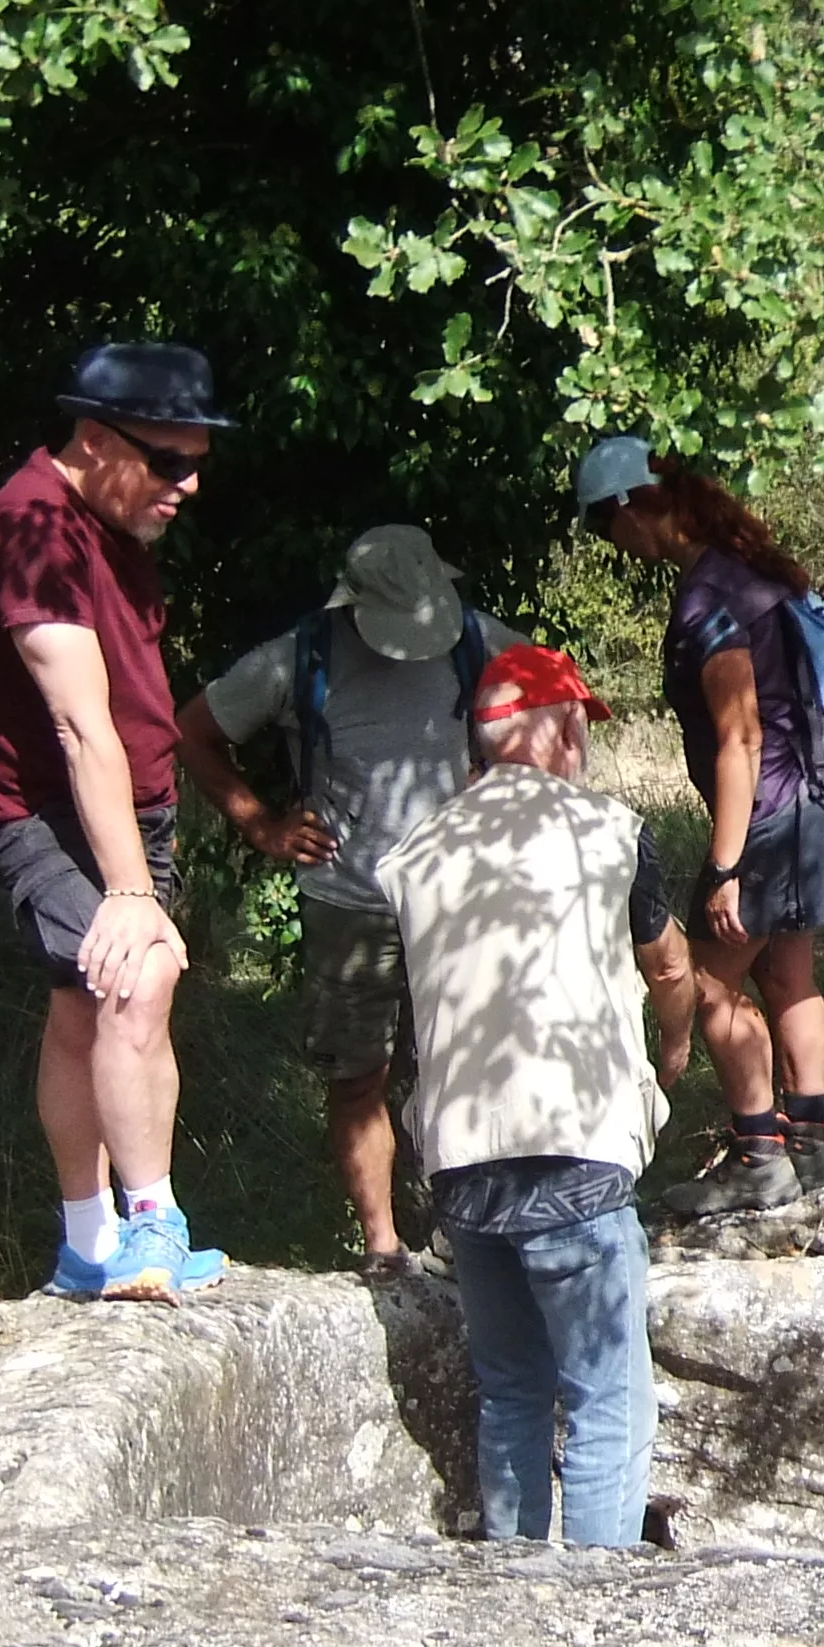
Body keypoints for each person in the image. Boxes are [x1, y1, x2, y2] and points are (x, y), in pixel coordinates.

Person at [377, 645, 698, 1544]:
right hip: (576, 1144)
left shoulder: (413, 853)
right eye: (582, 731)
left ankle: (513, 1593)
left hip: (463, 1155)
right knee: (607, 1393)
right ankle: (594, 1605)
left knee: (512, 1388)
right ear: (557, 731)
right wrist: (674, 1041)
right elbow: (669, 962)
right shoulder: (609, 832)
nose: (586, 750)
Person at [0, 339, 236, 1301]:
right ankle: (151, 1228)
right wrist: (130, 891)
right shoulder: (33, 531)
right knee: (136, 974)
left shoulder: (107, 526)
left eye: (199, 463)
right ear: (95, 439)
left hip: (126, 813)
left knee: (82, 1009)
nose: (189, 485)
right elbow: (80, 727)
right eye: (169, 461)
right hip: (39, 815)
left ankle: (84, 1244)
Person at [177, 525, 517, 1275]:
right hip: (347, 901)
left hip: (456, 903)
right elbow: (192, 732)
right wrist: (261, 823)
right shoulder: (300, 656)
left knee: (462, 1068)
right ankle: (384, 1249)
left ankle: (465, 1239)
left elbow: (557, 705)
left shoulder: (476, 638)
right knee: (358, 1073)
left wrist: (497, 788)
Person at [574, 436, 824, 1217]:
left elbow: (741, 735)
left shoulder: (708, 597)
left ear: (634, 507)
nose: (620, 547)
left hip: (766, 819)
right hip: (810, 807)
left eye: (611, 529)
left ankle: (759, 1155)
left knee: (709, 982)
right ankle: (813, 1142)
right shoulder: (755, 573)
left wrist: (725, 866)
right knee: (788, 975)